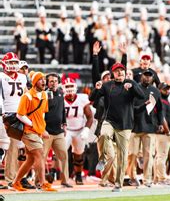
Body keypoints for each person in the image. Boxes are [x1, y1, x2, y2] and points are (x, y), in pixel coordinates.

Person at [89, 62, 146, 192]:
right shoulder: (108, 85)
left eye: (122, 70)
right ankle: (103, 159)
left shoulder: (130, 83)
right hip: (109, 120)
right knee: (103, 134)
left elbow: (142, 96)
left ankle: (118, 184)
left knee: (122, 155)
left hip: (125, 124)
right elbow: (92, 98)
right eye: (117, 71)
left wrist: (132, 87)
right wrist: (96, 89)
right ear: (112, 74)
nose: (120, 72)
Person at [10, 72, 56, 192]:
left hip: (36, 130)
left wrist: (42, 128)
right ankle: (42, 183)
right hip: (28, 131)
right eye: (40, 79)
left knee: (30, 159)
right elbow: (20, 115)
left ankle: (15, 182)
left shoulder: (44, 95)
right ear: (35, 82)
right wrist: (33, 125)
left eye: (44, 79)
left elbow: (42, 114)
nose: (44, 82)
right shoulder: (27, 96)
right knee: (40, 154)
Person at [0, 52, 32, 189]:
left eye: (15, 62)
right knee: (7, 147)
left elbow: (27, 95)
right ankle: (11, 178)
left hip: (20, 115)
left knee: (23, 148)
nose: (13, 65)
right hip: (6, 115)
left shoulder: (23, 77)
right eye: (10, 62)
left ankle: (21, 177)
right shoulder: (1, 77)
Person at [128, 69, 162, 187]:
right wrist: (144, 105)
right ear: (141, 76)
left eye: (150, 76)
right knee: (132, 154)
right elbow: (131, 108)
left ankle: (147, 179)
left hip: (149, 126)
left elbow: (160, 109)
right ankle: (132, 177)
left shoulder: (155, 91)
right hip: (134, 126)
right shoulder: (135, 88)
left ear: (153, 78)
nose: (147, 78)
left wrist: (160, 122)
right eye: (145, 75)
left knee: (148, 154)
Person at [63, 78, 94, 185]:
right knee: (61, 152)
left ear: (75, 87)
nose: (69, 89)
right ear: (63, 88)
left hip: (79, 129)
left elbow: (90, 117)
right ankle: (60, 175)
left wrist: (86, 129)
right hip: (66, 130)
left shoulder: (82, 98)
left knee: (79, 154)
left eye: (71, 86)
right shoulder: (60, 99)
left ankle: (78, 176)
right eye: (67, 86)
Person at [43, 73, 71, 187]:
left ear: (58, 82)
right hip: (46, 131)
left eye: (55, 81)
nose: (53, 83)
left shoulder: (60, 92)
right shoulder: (45, 94)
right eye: (51, 81)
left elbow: (62, 110)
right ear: (47, 82)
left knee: (64, 156)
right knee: (42, 157)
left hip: (58, 131)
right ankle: (39, 182)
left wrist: (64, 123)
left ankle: (65, 181)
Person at [154, 82, 170, 185]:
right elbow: (162, 118)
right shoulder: (162, 101)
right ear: (159, 90)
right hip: (163, 134)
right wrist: (168, 132)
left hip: (161, 134)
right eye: (164, 89)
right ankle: (162, 178)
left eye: (167, 89)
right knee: (161, 157)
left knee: (159, 157)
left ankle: (157, 178)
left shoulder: (163, 100)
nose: (167, 91)